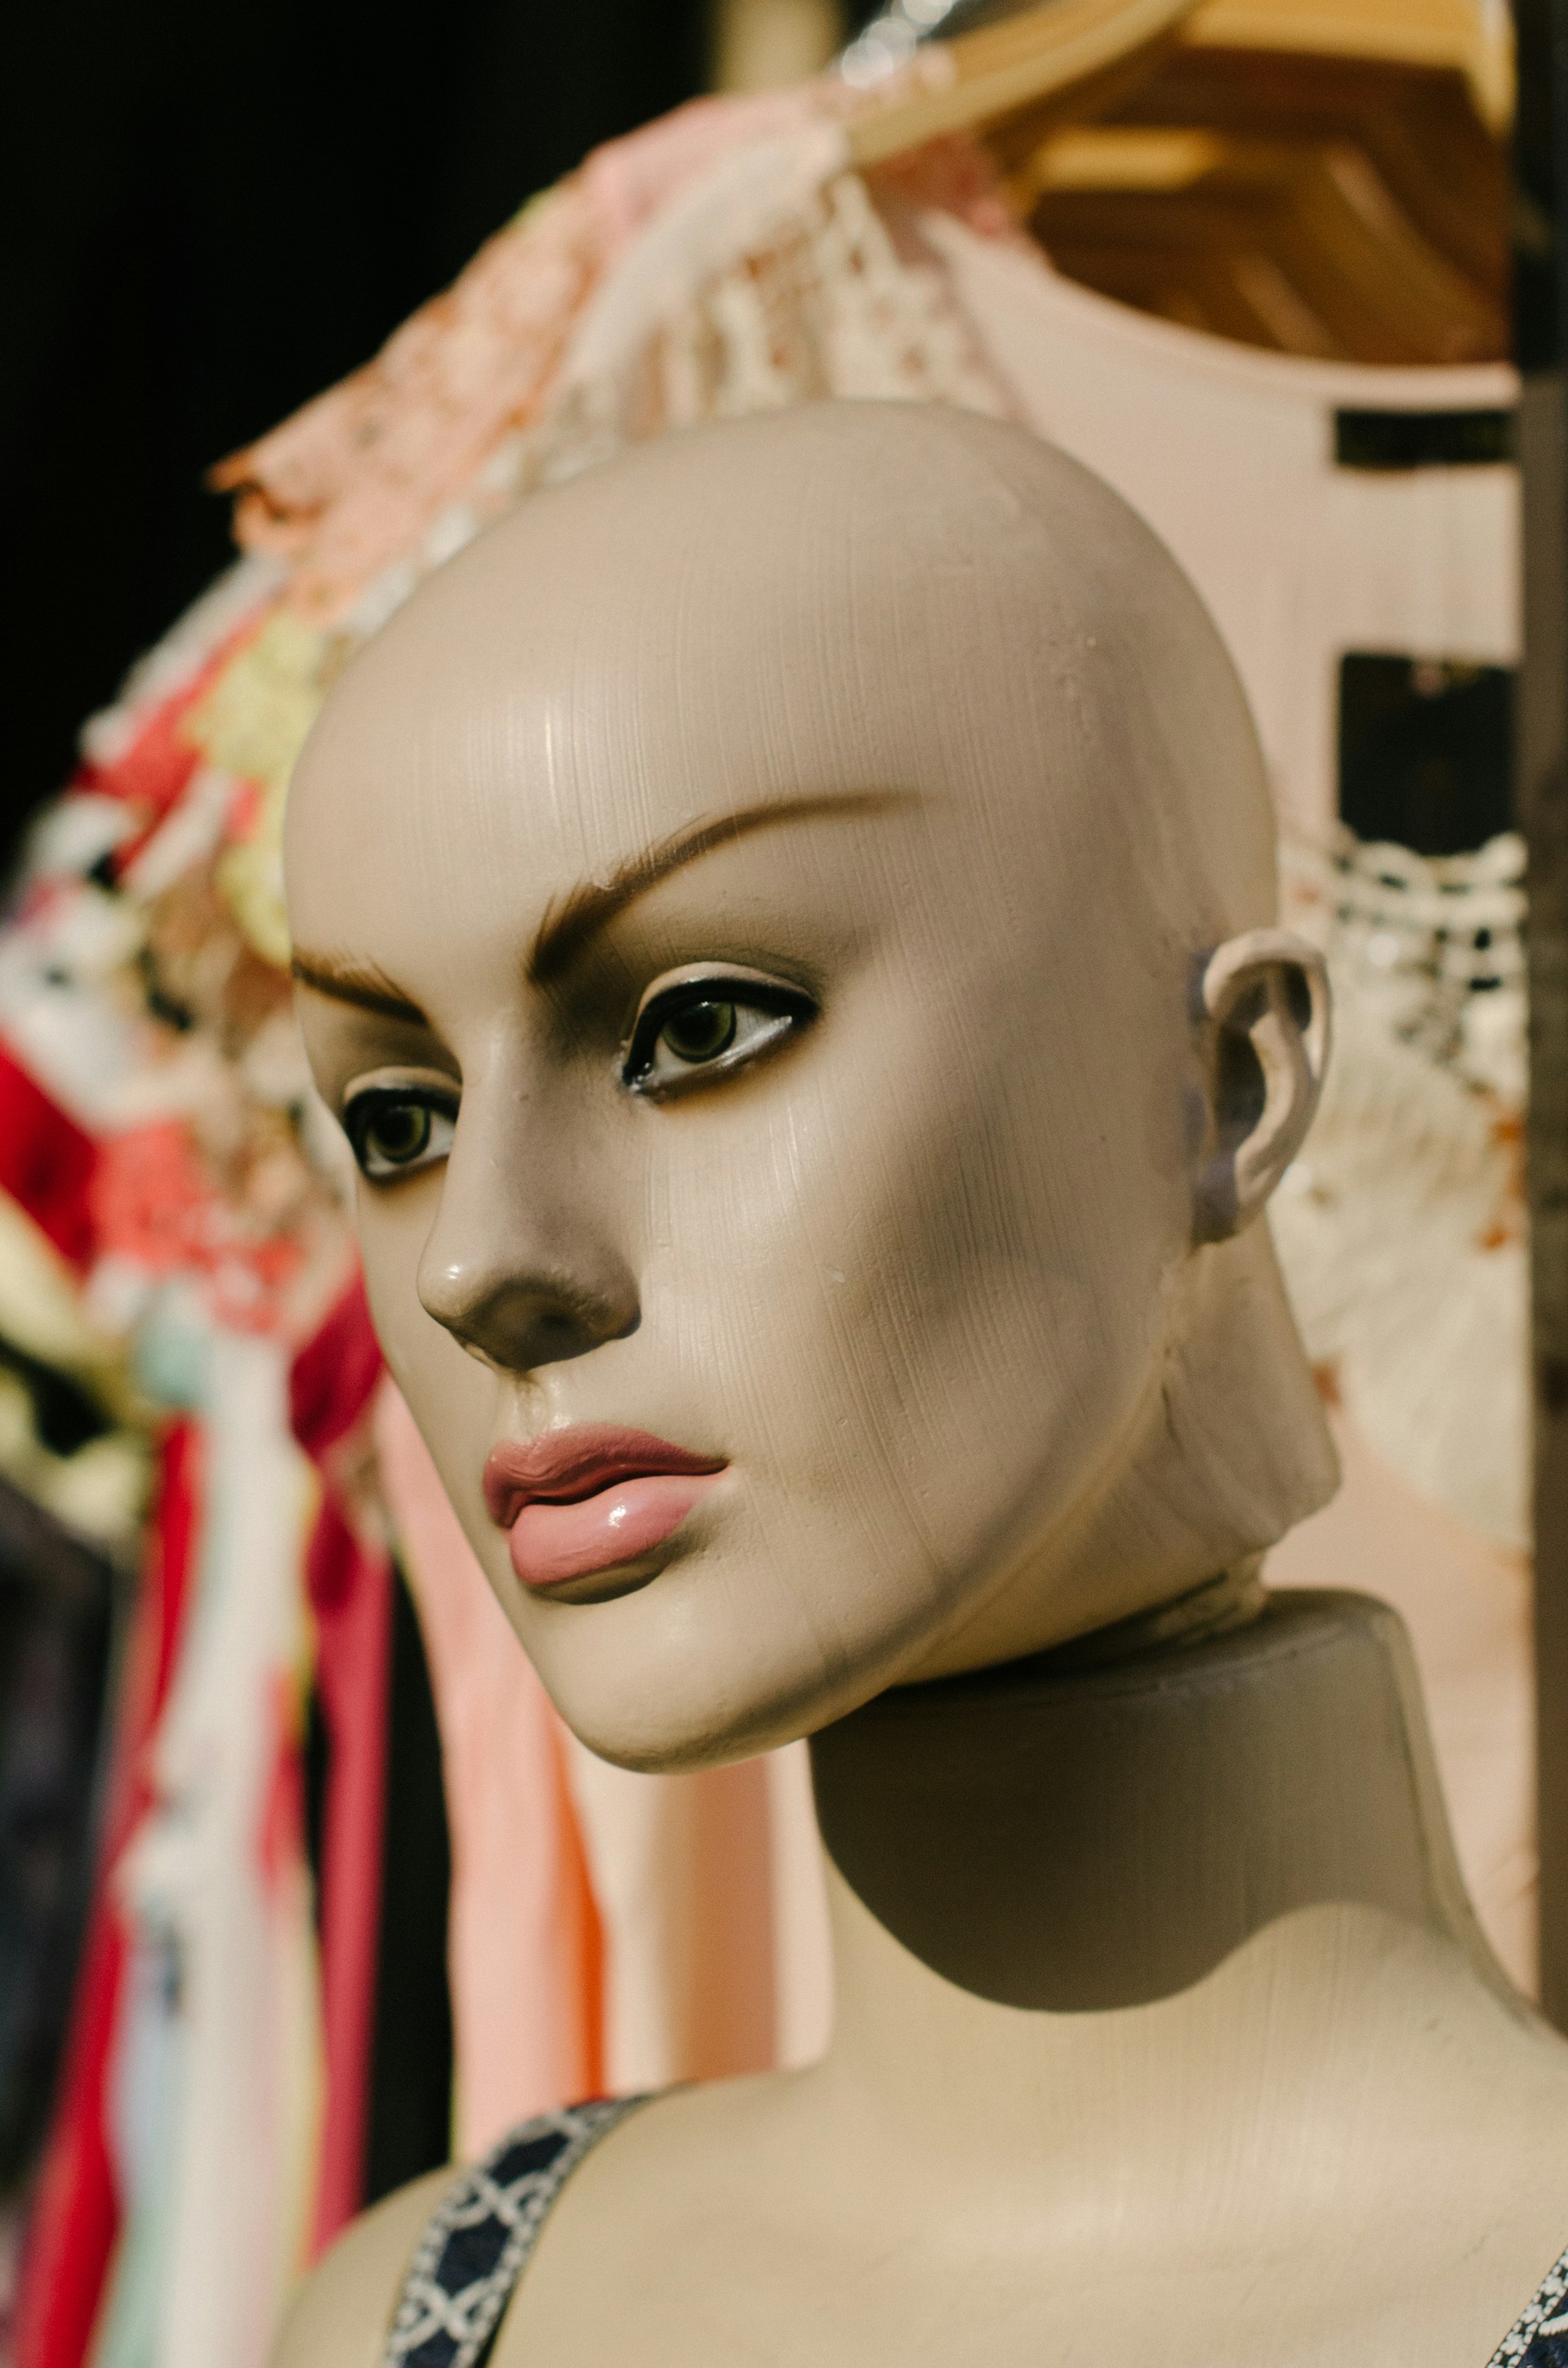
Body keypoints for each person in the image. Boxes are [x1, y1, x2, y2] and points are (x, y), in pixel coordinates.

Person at [277, 402, 1568, 2367]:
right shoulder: (414, 2310)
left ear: (1224, 1084)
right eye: (398, 1117)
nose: (477, 1262)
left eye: (700, 1024)